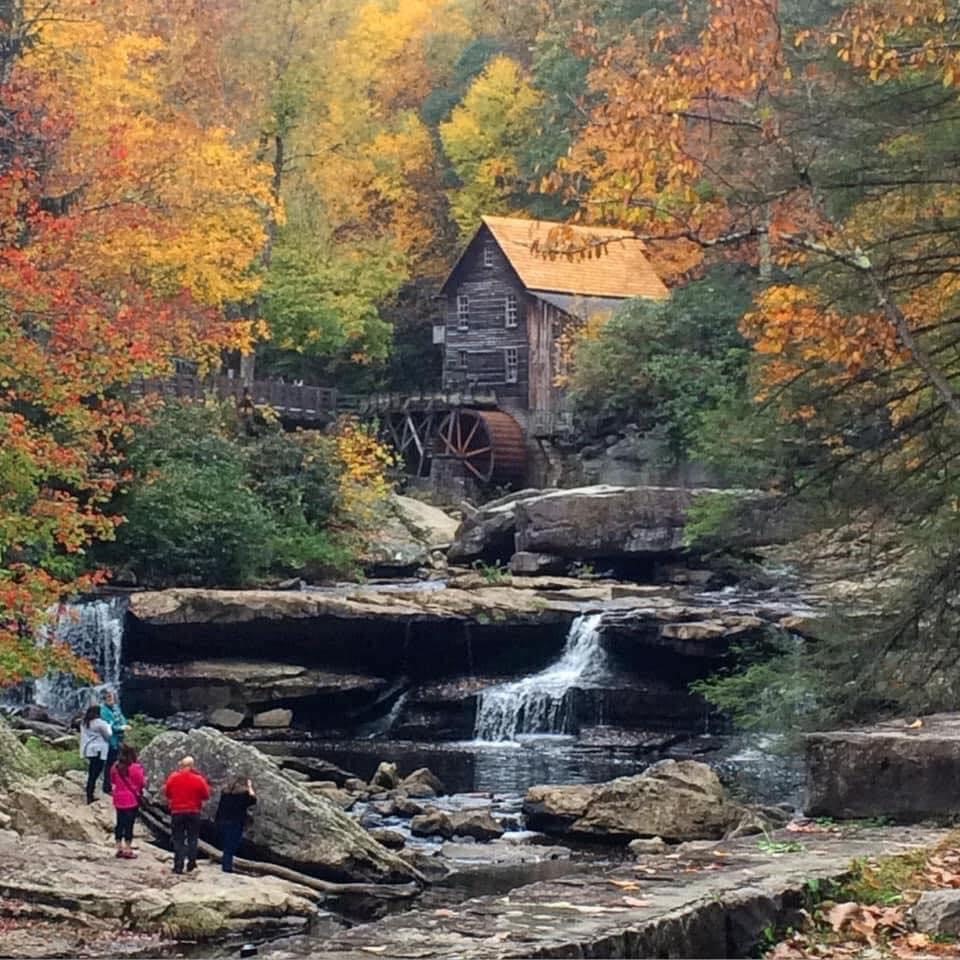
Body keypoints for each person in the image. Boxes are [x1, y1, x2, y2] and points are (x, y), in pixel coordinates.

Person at [163, 755, 211, 875]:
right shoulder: (198, 779)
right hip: (193, 812)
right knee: (192, 838)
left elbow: (168, 793)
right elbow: (206, 795)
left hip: (177, 812)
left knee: (178, 839)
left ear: (182, 765)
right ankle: (191, 863)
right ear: (192, 766)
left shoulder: (173, 777)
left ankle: (178, 865)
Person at [110, 743, 146, 859]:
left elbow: (113, 780)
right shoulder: (135, 767)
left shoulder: (115, 766)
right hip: (131, 799)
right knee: (129, 824)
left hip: (118, 798)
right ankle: (128, 848)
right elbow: (141, 782)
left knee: (120, 822)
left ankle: (118, 847)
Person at [215, 777, 256, 873]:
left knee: (226, 844)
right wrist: (250, 787)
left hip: (223, 821)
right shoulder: (243, 795)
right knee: (231, 845)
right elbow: (253, 799)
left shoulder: (225, 794)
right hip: (236, 822)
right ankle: (227, 867)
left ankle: (226, 864)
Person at [79, 706, 112, 804]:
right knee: (96, 772)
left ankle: (89, 793)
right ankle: (90, 795)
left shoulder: (84, 722)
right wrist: (109, 726)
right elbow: (108, 735)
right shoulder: (100, 723)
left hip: (89, 749)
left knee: (91, 771)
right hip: (99, 750)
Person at [100, 689, 128, 795]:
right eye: (108, 697)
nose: (110, 699)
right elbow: (109, 726)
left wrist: (124, 725)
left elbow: (122, 718)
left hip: (119, 740)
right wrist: (121, 727)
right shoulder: (103, 711)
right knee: (109, 764)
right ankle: (107, 787)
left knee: (119, 762)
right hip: (110, 741)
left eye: (111, 697)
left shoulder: (116, 708)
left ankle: (118, 784)